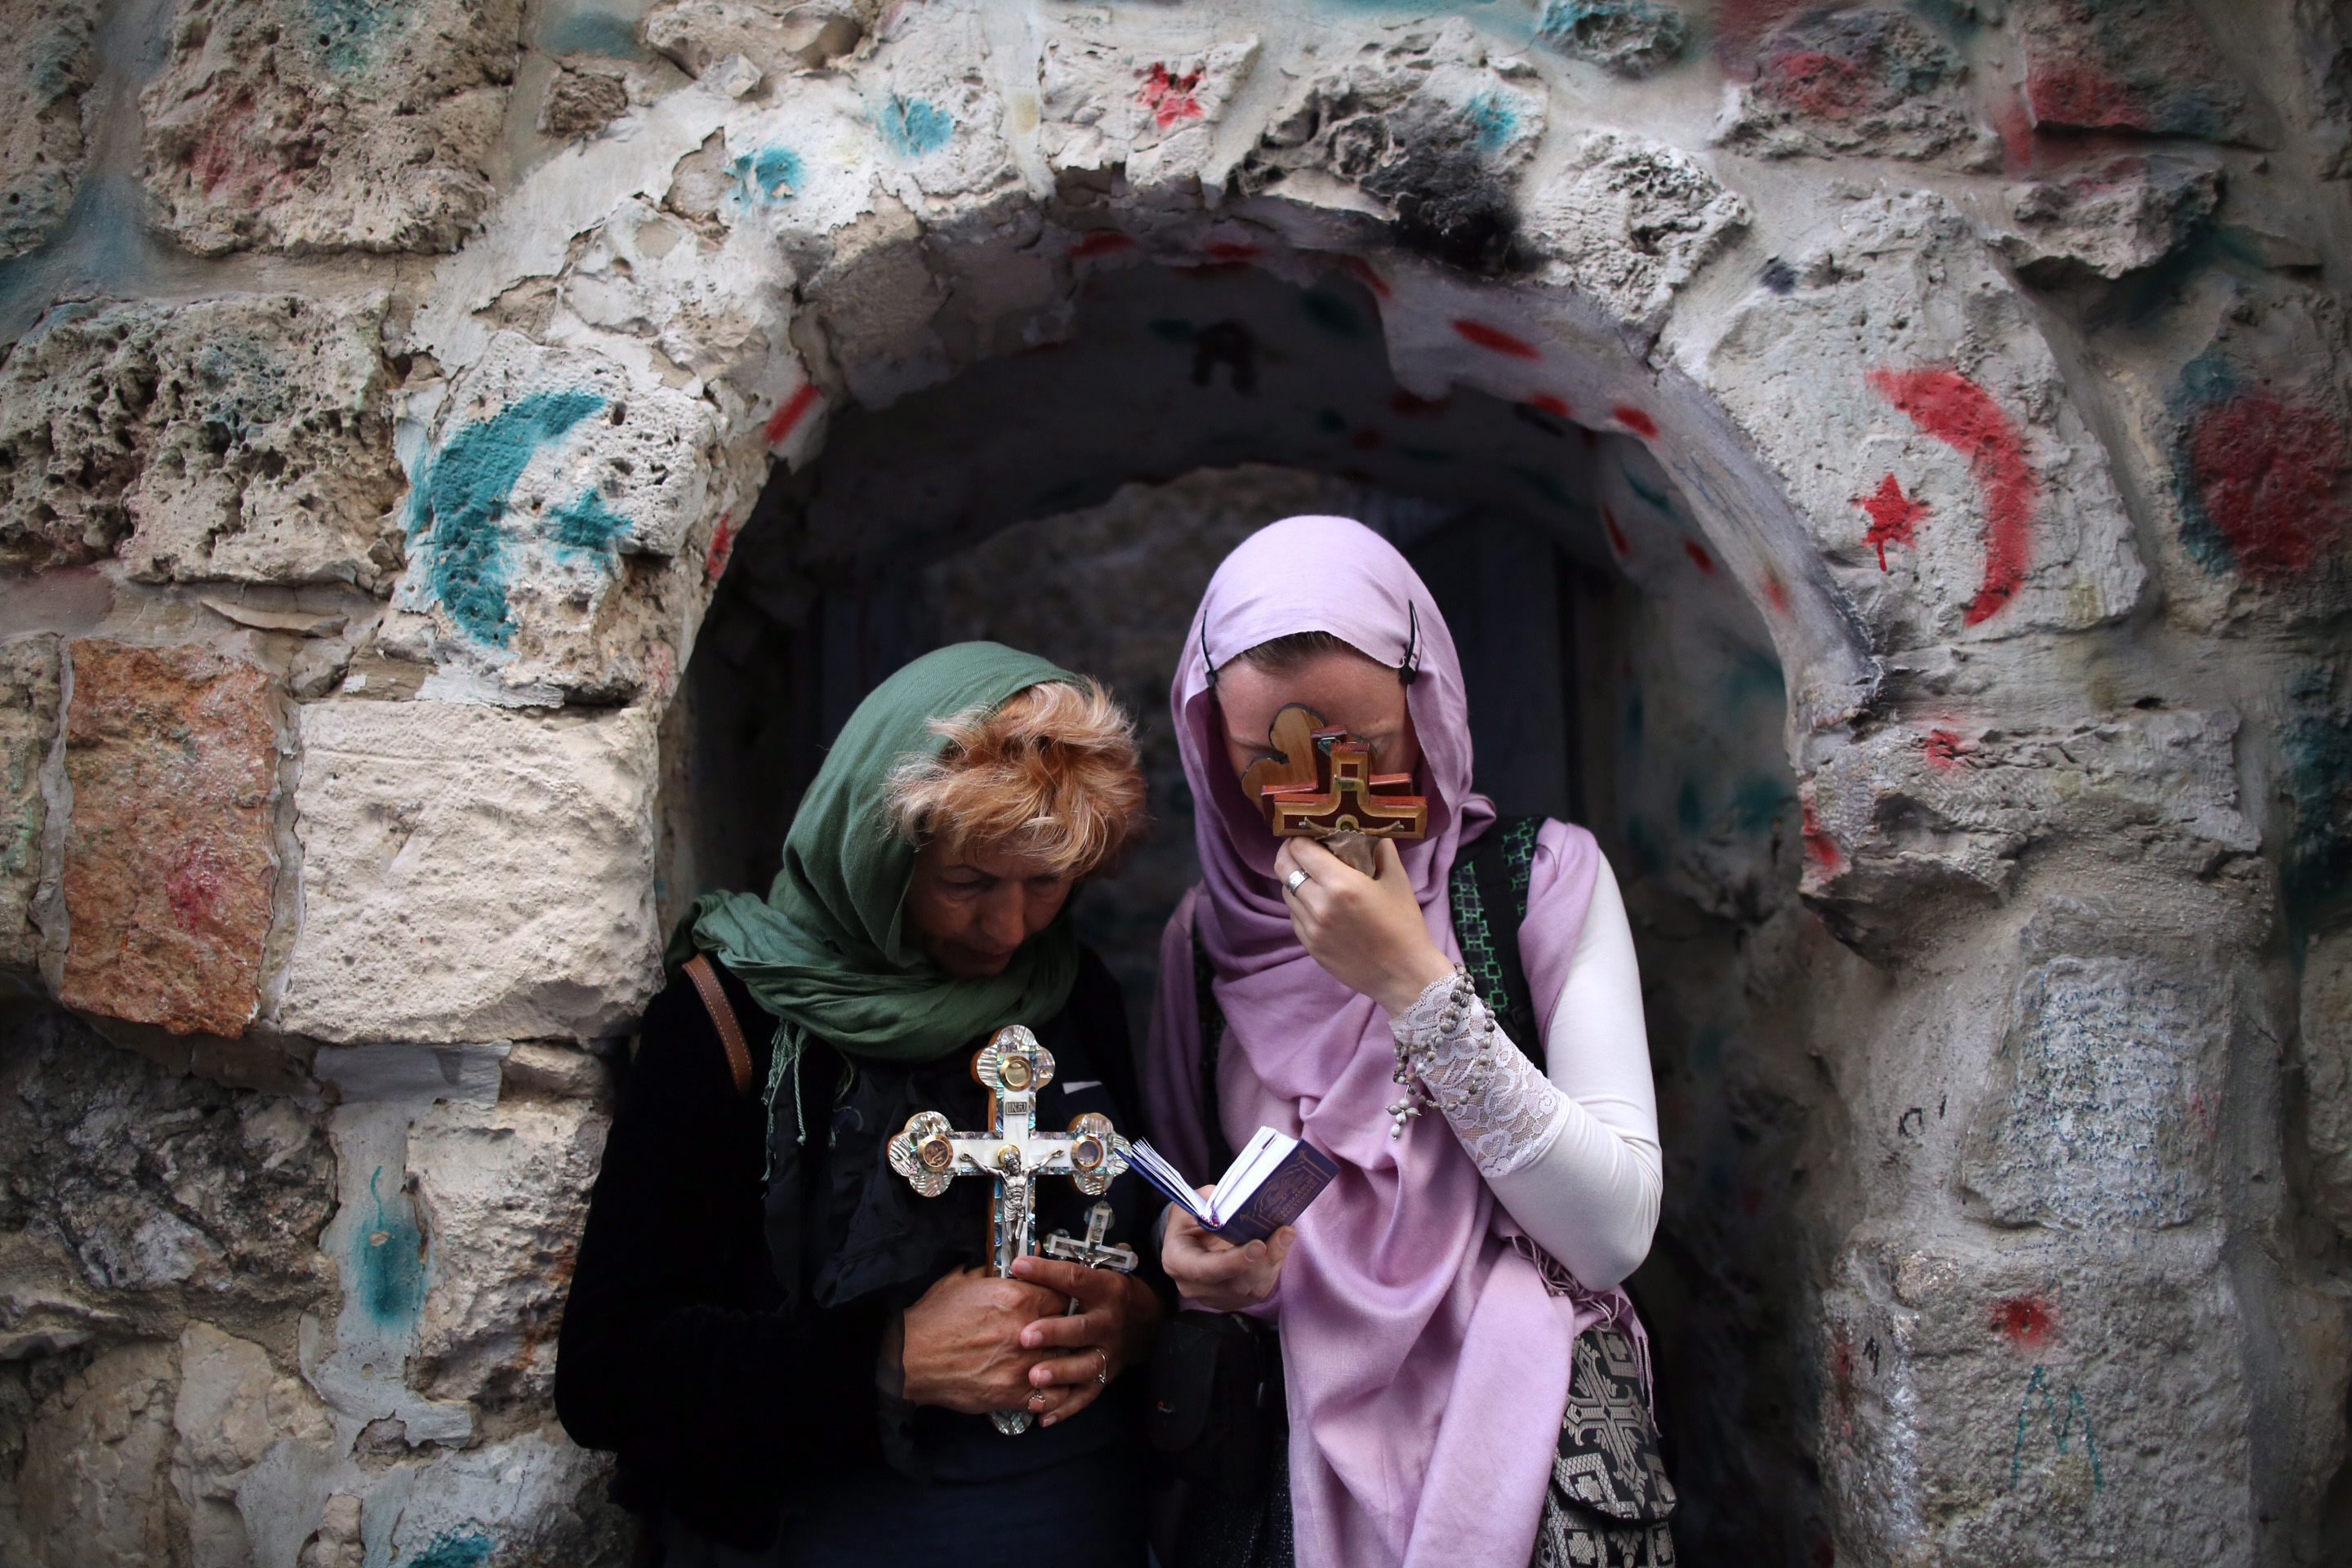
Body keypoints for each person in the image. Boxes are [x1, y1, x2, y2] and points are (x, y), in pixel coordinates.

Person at [556, 643, 1165, 1566]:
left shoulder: (1071, 989)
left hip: (1083, 1522)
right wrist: (888, 1361)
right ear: (882, 854)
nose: (1009, 929)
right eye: (967, 883)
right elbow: (610, 1373)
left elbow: (1146, 1220)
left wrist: (1135, 1314)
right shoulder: (735, 1016)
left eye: (1046, 883)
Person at [1145, 517, 1671, 1568]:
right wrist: (1198, 1262)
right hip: (1289, 1459)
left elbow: (1613, 1233)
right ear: (1211, 753)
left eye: (1363, 747)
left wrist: (1410, 981)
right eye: (1269, 757)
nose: (1320, 786)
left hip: (1533, 1446)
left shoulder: (1540, 880)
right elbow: (1193, 1201)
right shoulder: (1203, 944)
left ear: (1425, 713)